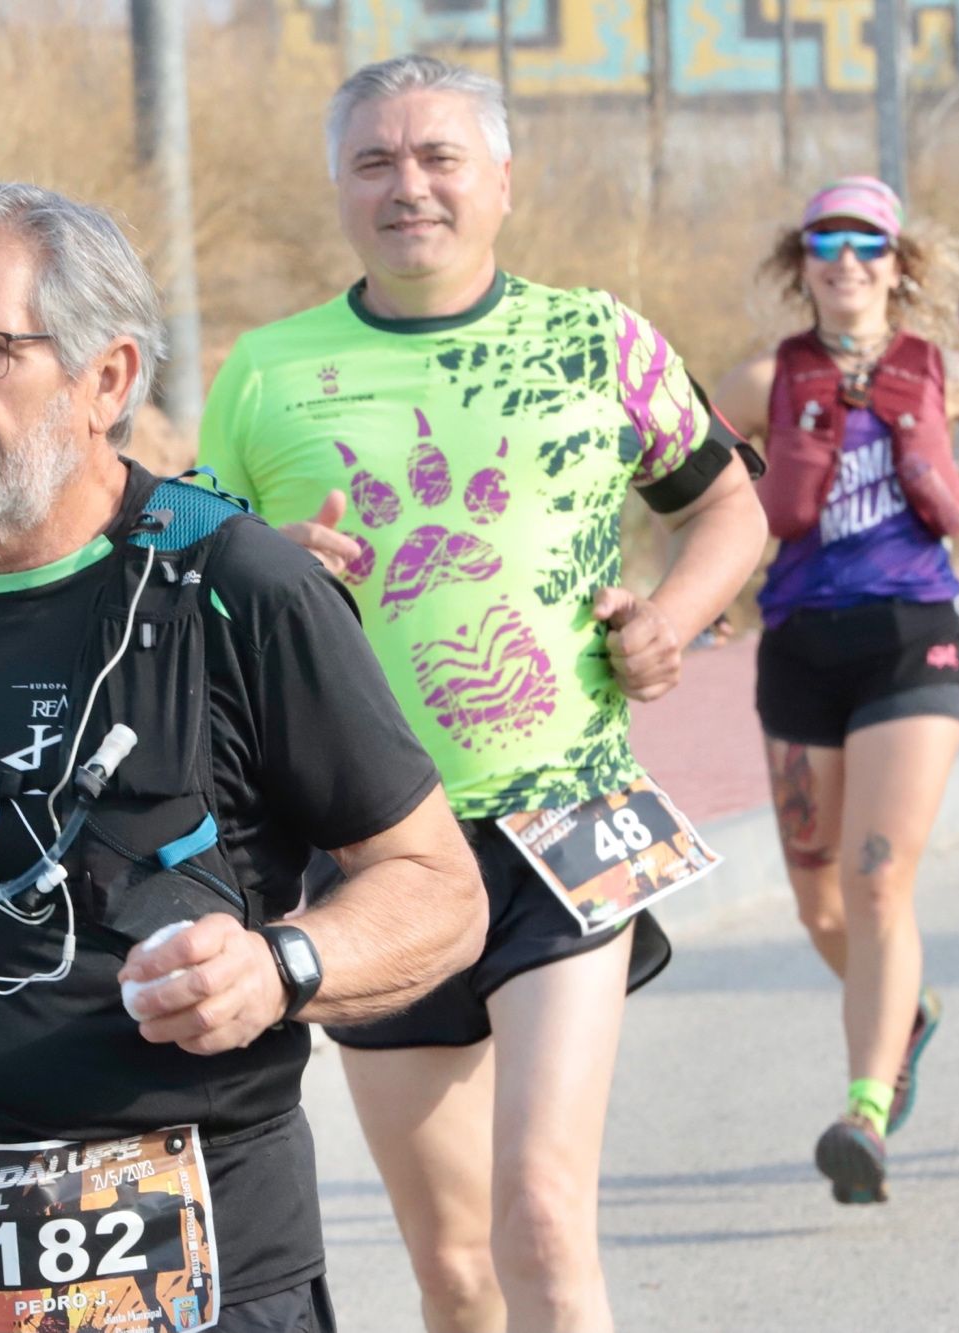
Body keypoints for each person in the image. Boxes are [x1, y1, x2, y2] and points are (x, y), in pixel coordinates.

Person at [0, 181, 489, 1333]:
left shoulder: (238, 587)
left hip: (195, 1268)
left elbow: (438, 888)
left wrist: (279, 966)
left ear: (107, 379)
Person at [198, 55, 768, 1333]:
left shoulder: (598, 340)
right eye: (374, 162)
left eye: (438, 157)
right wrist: (261, 561)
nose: (408, 186)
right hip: (370, 850)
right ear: (339, 190)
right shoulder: (265, 371)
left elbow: (728, 505)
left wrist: (668, 620)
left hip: (564, 819)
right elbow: (183, 591)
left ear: (500, 179)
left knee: (543, 1221)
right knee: (455, 1270)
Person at [712, 177, 959, 1205]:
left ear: (897, 266)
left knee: (874, 880)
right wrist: (700, 581)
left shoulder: (946, 372)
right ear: (803, 262)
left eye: (867, 244)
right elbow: (684, 476)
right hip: (798, 647)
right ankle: (909, 1010)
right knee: (819, 900)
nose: (847, 261)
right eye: (826, 243)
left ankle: (864, 1108)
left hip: (913, 640)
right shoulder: (761, 379)